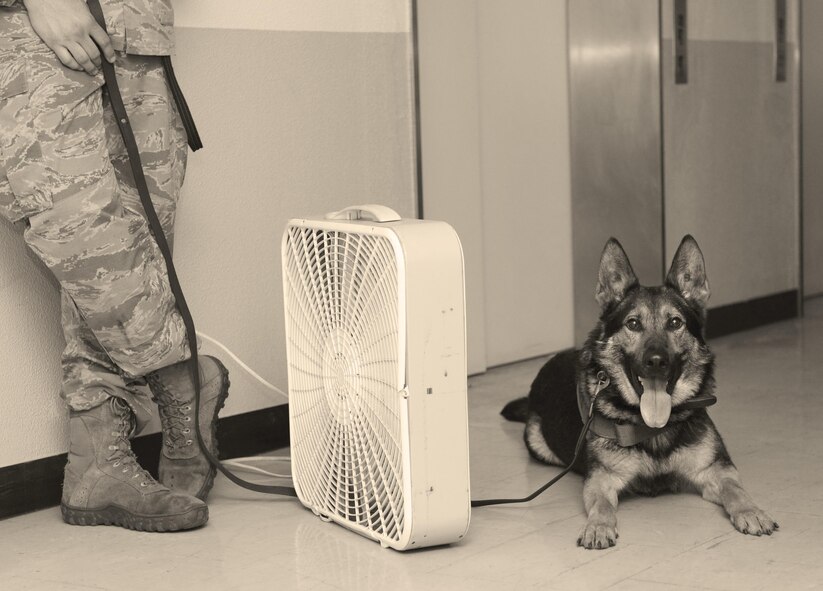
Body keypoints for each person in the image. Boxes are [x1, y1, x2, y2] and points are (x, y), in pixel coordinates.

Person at [0, 0, 227, 531]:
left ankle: (97, 466)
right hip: (26, 34)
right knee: (78, 230)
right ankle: (183, 381)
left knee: (136, 243)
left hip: (140, 32)